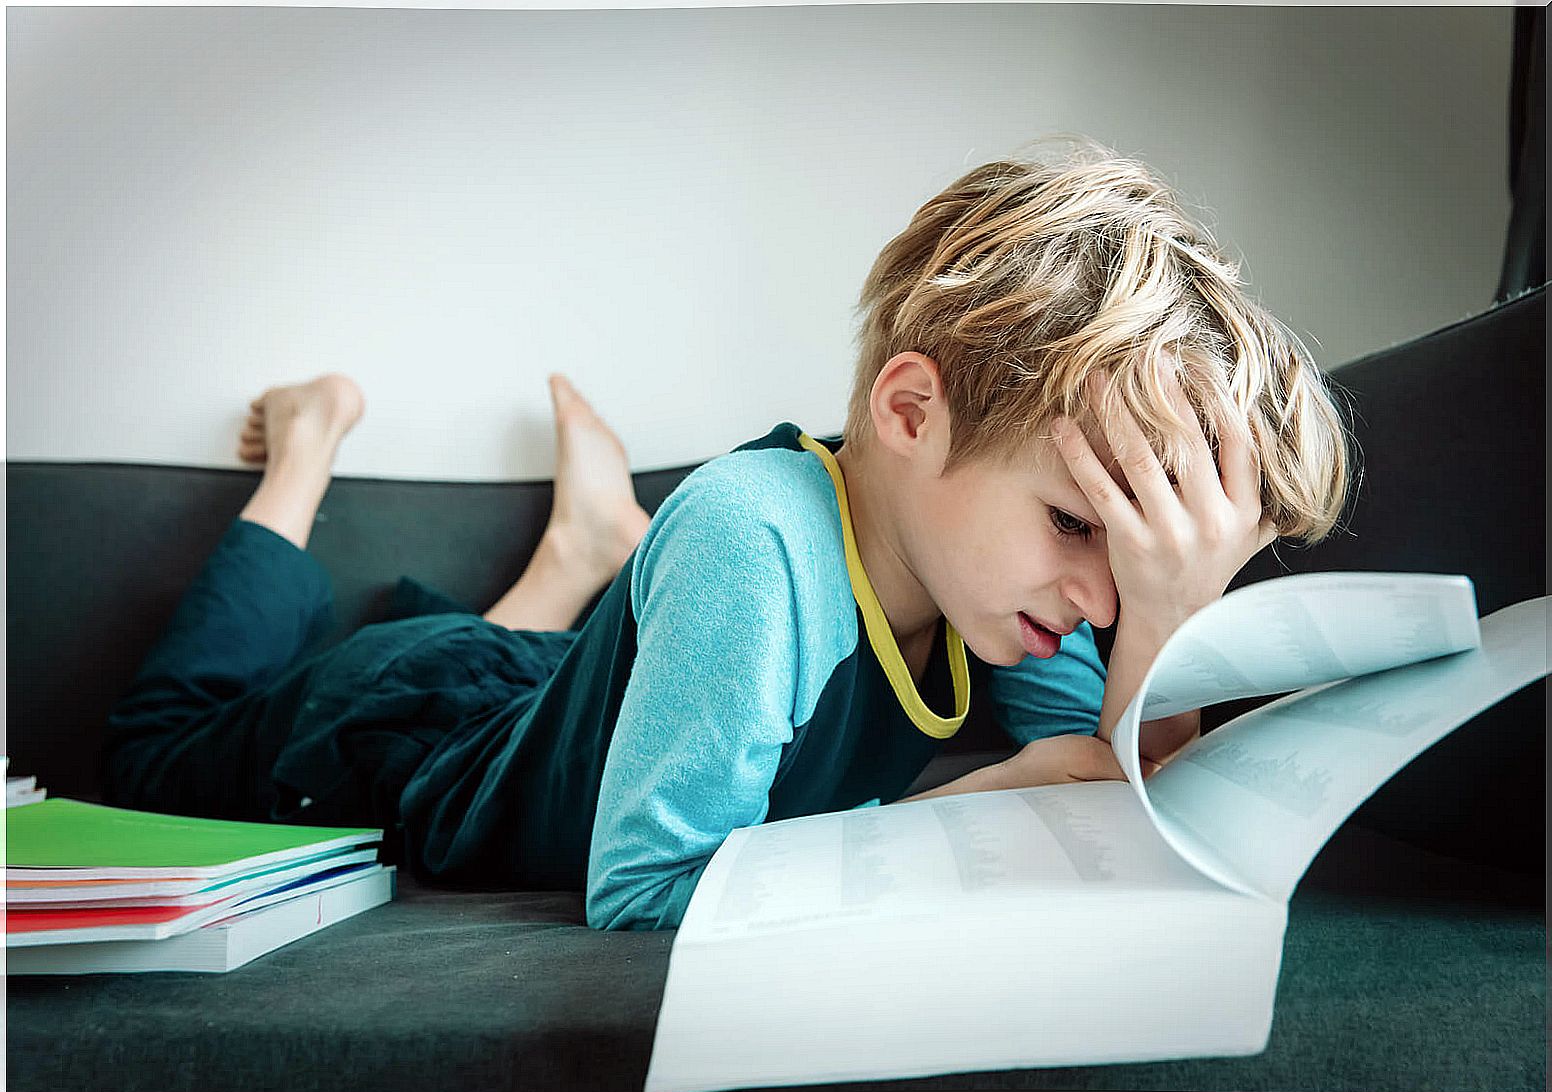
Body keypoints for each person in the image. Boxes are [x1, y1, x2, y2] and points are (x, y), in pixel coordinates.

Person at [101, 133, 1352, 931]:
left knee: (531, 688)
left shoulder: (1015, 586)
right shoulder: (755, 544)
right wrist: (962, 807)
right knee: (150, 750)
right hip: (396, 730)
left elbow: (1127, 816)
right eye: (1081, 523)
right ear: (909, 409)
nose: (1098, 594)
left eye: (1125, 563)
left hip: (568, 699)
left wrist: (1173, 614)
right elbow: (639, 892)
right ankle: (315, 444)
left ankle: (584, 561)